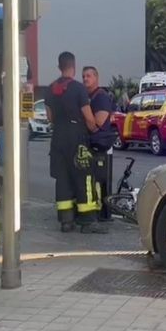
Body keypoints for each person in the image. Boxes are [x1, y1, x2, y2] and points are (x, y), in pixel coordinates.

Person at [45, 52, 104, 234]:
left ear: (59, 66)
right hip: (76, 137)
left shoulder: (50, 88)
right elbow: (88, 117)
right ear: (74, 66)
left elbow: (50, 117)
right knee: (84, 177)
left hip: (58, 138)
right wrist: (95, 129)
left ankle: (66, 221)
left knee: (62, 179)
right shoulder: (78, 88)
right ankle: (87, 221)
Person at [82, 66, 116, 229]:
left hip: (99, 146)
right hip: (90, 145)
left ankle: (101, 213)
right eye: (83, 76)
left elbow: (98, 123)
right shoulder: (87, 96)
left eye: (89, 76)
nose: (85, 79)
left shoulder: (100, 97)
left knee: (98, 181)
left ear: (96, 77)